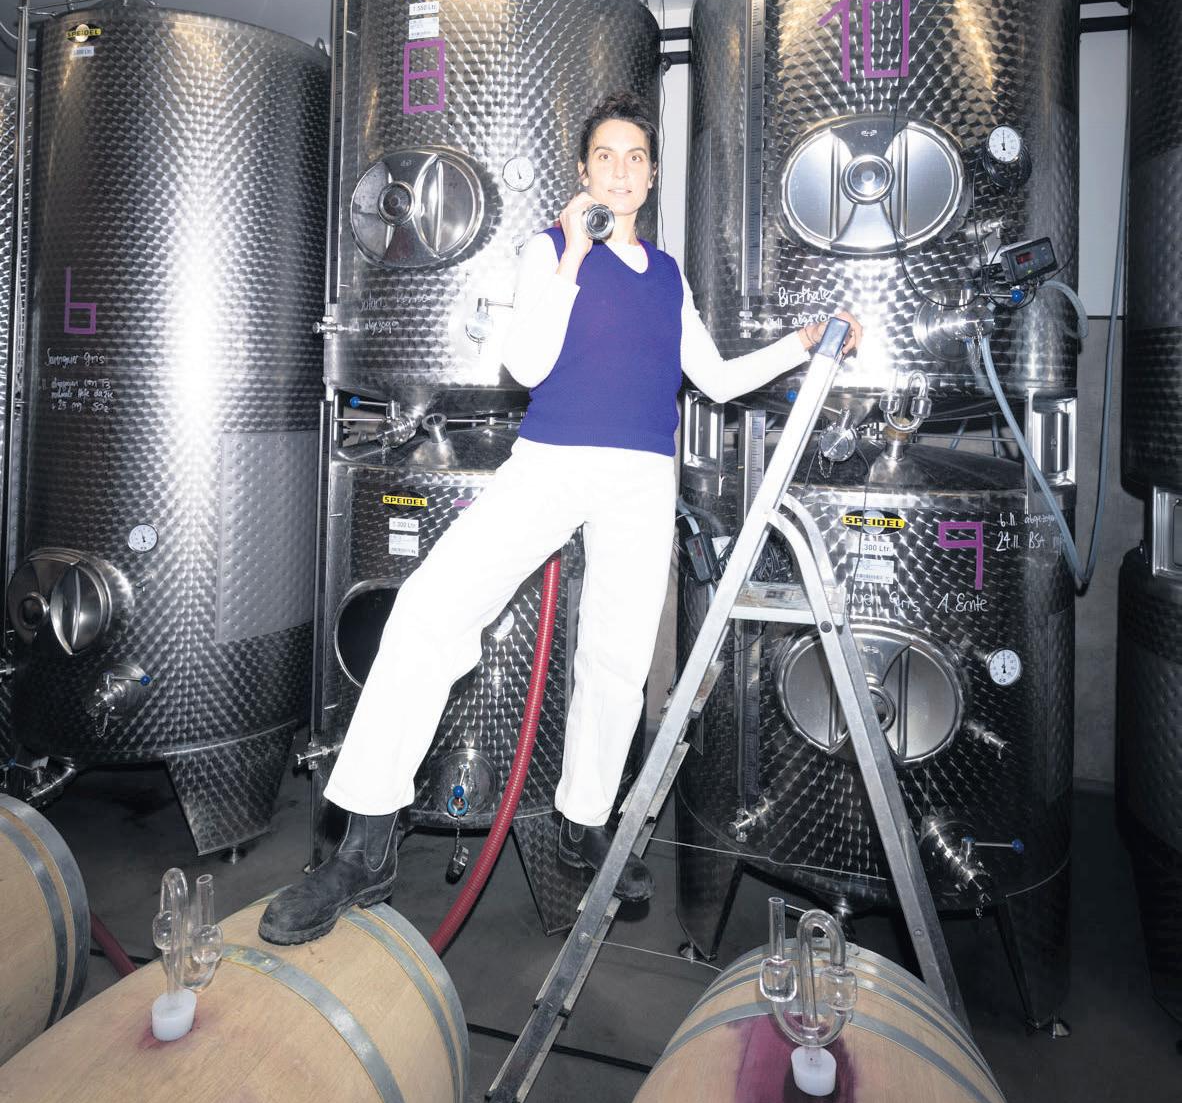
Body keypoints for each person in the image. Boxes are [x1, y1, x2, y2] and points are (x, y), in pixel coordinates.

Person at [260, 91, 861, 945]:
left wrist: (802, 341)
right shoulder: (546, 250)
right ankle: (364, 847)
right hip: (549, 462)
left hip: (641, 477)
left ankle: (584, 822)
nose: (620, 171)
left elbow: (719, 380)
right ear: (583, 172)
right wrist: (574, 252)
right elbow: (528, 360)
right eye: (604, 157)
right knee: (428, 610)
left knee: (616, 659)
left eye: (634, 158)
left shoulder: (669, 277)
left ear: (650, 175)